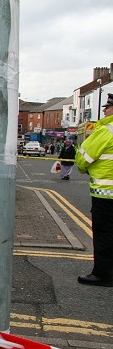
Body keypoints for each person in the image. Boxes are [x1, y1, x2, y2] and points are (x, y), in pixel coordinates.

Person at [74, 93, 113, 287]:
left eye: (108, 106)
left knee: (104, 233)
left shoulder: (107, 131)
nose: (105, 109)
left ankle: (103, 274)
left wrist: (85, 168)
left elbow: (83, 158)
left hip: (106, 194)